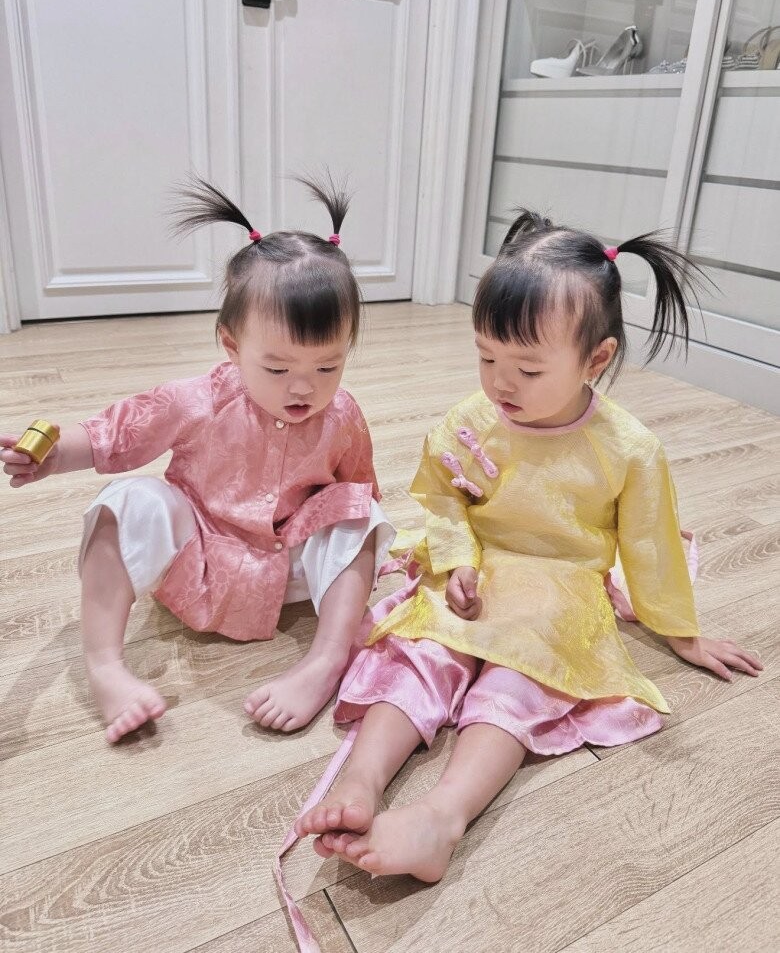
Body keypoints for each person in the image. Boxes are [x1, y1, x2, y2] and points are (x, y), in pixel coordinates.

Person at [294, 210, 763, 882]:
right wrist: (458, 558)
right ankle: (362, 778)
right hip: (477, 567)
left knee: (520, 678)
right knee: (424, 650)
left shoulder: (630, 449)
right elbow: (442, 495)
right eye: (486, 357)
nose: (500, 383)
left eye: (528, 368)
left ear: (596, 359)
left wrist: (681, 633)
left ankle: (443, 816)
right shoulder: (473, 418)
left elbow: (650, 545)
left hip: (561, 585)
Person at [0, 177, 394, 744]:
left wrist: (372, 554)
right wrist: (55, 454)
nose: (303, 388)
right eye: (278, 368)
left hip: (285, 564)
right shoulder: (197, 400)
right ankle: (105, 665)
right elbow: (118, 432)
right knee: (126, 501)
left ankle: (326, 660)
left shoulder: (343, 415)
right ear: (231, 346)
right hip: (198, 553)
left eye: (328, 367)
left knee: (357, 509)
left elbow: (359, 489)